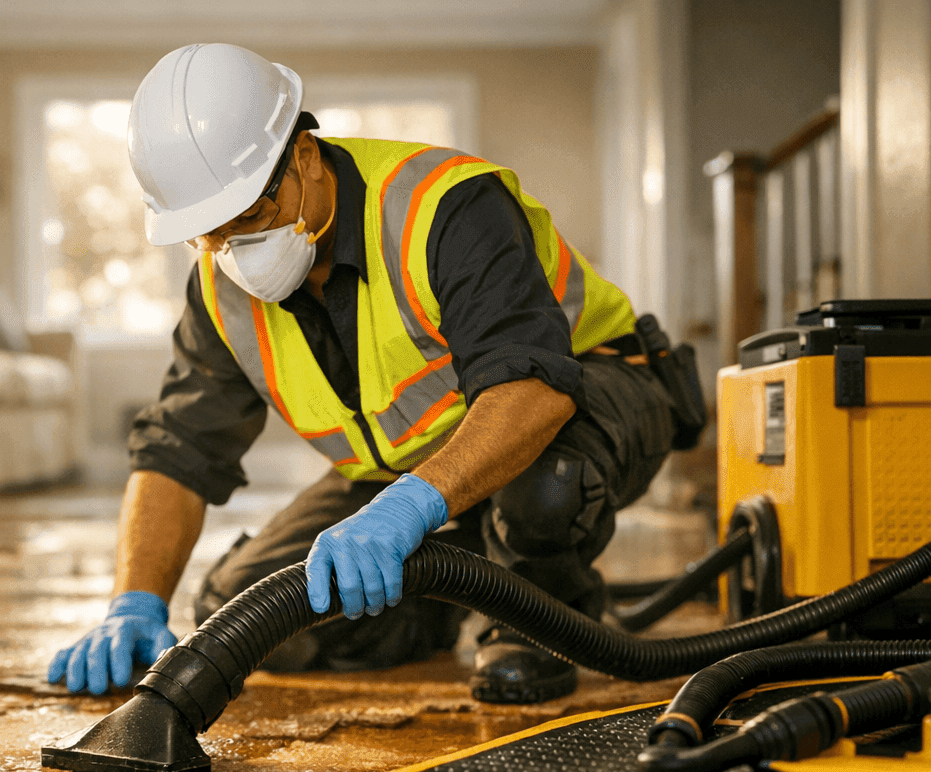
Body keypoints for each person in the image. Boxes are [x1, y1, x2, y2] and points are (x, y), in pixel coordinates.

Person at [48, 43, 700, 704]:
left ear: (304, 157)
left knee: (548, 492)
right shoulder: (220, 288)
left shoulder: (444, 207)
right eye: (204, 234)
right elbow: (178, 450)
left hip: (593, 401)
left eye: (247, 217)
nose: (228, 252)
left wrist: (411, 507)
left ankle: (539, 616)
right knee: (245, 608)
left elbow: (530, 389)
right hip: (414, 469)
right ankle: (469, 587)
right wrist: (133, 601)